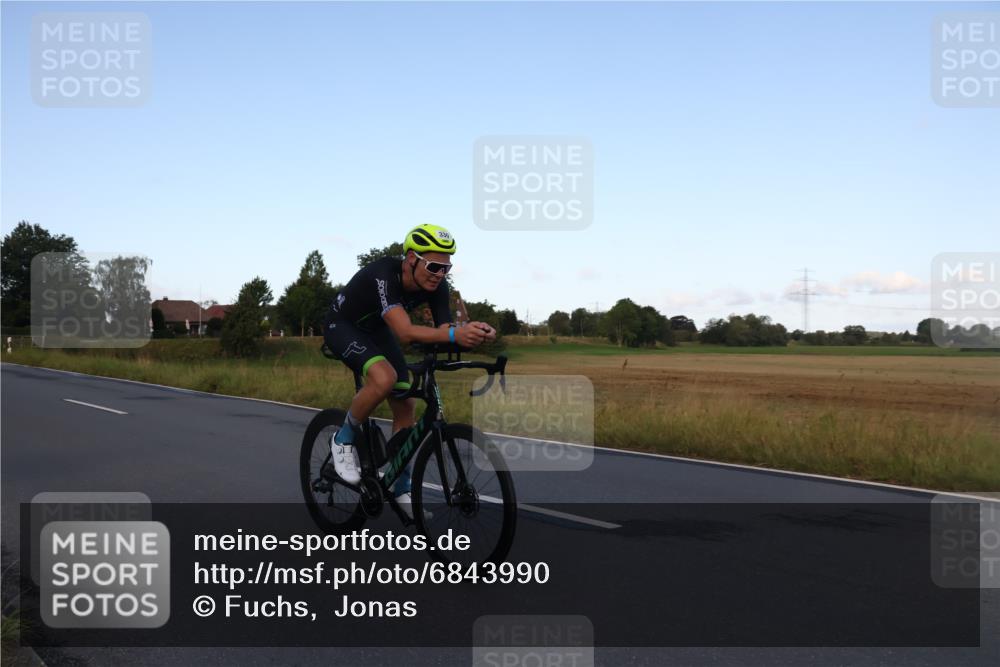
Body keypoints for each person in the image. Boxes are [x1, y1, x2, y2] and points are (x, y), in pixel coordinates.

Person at [322, 224, 497, 519]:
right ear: (411, 258)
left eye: (446, 268)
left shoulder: (438, 286)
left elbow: (442, 330)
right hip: (343, 326)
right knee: (385, 377)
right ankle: (343, 439)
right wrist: (455, 336)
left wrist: (473, 332)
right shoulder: (384, 274)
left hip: (377, 330)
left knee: (406, 404)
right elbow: (404, 332)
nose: (439, 274)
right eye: (433, 266)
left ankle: (400, 486)